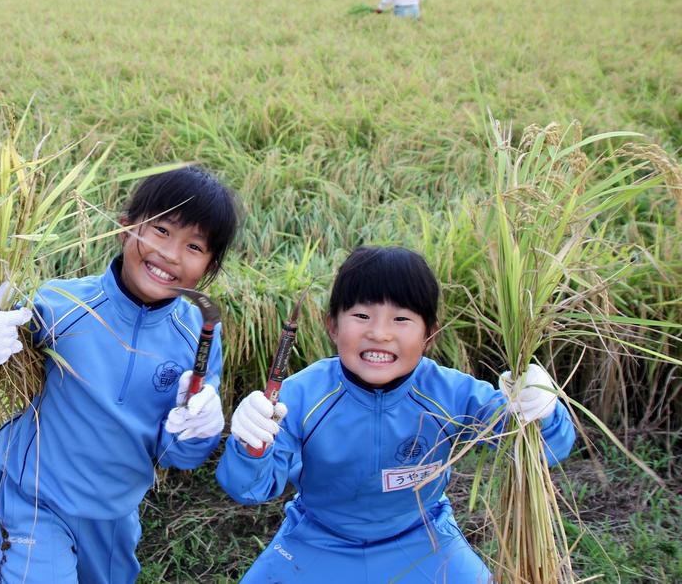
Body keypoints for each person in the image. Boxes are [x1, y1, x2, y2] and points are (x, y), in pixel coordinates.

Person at [0, 165, 238, 584]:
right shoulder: (61, 305)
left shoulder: (198, 335)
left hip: (113, 516)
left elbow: (177, 455)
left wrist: (199, 430)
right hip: (33, 503)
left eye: (194, 245)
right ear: (125, 229)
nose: (170, 254)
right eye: (161, 231)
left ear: (209, 266)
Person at [217, 246, 576, 583]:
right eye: (361, 315)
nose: (379, 333)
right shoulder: (298, 395)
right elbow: (249, 489)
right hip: (318, 537)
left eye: (401, 318)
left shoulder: (451, 393)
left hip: (423, 536)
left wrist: (542, 410)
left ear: (429, 335)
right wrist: (251, 444)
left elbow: (542, 450)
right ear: (332, 326)